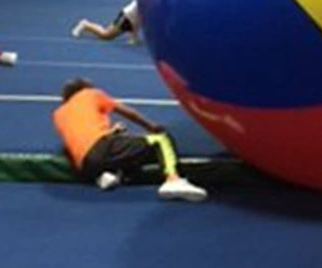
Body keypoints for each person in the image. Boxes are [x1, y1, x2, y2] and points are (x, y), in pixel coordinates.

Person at [52, 78, 207, 200]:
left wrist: (113, 133)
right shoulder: (90, 94)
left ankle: (108, 174)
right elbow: (129, 113)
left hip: (86, 166)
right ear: (85, 88)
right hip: (102, 148)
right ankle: (173, 180)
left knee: (123, 147)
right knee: (160, 140)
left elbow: (82, 137)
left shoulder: (58, 114)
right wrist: (151, 127)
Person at [72, 0, 140, 44]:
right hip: (127, 17)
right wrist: (134, 36)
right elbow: (136, 17)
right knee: (106, 35)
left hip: (136, 17)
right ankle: (85, 24)